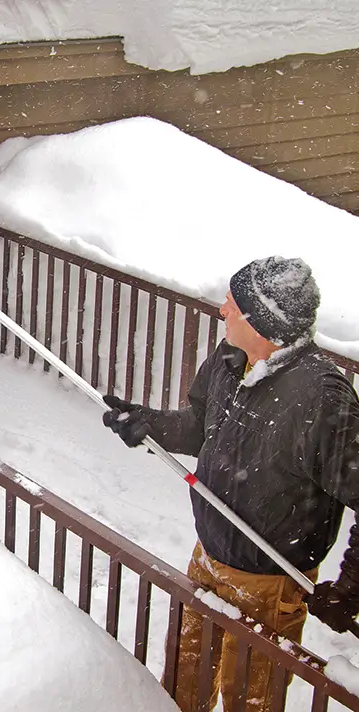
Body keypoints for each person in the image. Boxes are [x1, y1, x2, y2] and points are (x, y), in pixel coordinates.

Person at [100, 256, 359, 712]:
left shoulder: (321, 400)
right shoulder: (229, 358)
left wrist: (351, 588)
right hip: (208, 555)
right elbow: (203, 425)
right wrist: (150, 424)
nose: (222, 310)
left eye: (233, 304)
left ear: (262, 323)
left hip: (270, 583)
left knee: (250, 701)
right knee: (181, 685)